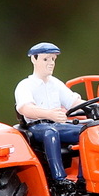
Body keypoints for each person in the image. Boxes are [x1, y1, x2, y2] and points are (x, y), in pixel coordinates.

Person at [14, 42, 83, 186]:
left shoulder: (55, 83)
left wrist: (94, 106)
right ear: (34, 59)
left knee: (86, 132)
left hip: (58, 124)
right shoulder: (25, 85)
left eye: (53, 59)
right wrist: (49, 114)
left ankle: (83, 177)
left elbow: (73, 102)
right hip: (37, 126)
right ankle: (59, 179)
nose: (51, 63)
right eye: (46, 59)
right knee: (50, 133)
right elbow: (25, 108)